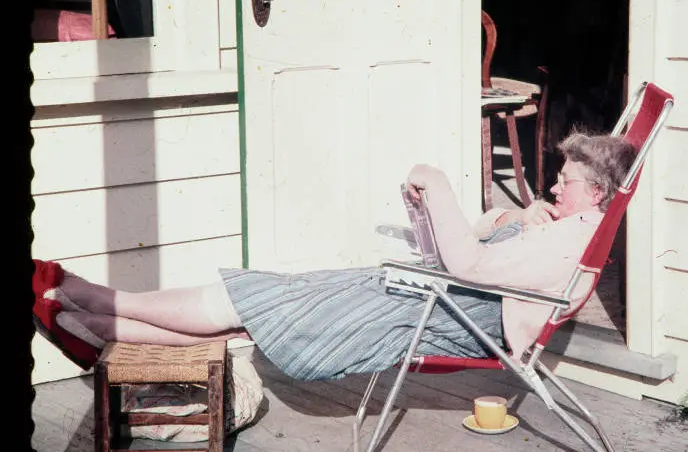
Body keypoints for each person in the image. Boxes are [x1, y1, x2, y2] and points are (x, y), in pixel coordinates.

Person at [32, 130, 637, 379]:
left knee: (251, 303)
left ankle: (92, 304)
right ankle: (91, 322)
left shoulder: (570, 236)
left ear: (598, 195)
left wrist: (441, 183)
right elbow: (477, 252)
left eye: (566, 181)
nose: (554, 187)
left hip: (434, 315)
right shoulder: (568, 226)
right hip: (425, 298)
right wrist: (511, 216)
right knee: (257, 304)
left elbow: (471, 268)